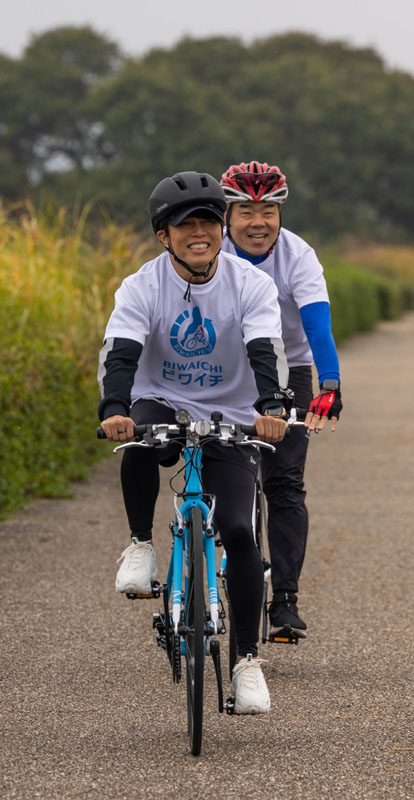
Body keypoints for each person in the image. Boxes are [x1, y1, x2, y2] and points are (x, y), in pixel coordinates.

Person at [97, 170, 292, 714]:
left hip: (229, 411)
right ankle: (140, 544)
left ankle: (247, 662)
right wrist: (115, 409)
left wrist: (273, 406)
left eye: (209, 220)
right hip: (158, 396)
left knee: (237, 527)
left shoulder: (250, 285)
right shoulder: (141, 286)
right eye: (186, 225)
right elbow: (121, 355)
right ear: (165, 235)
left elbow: (265, 348)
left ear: (223, 227)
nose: (199, 232)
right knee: (138, 435)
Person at [219, 161, 343, 639]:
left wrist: (330, 385)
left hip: (289, 373)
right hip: (229, 374)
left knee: (285, 483)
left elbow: (317, 325)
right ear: (228, 215)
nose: (258, 222)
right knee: (226, 476)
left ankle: (285, 600)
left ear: (280, 213)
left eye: (268, 210)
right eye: (246, 211)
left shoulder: (298, 256)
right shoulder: (212, 254)